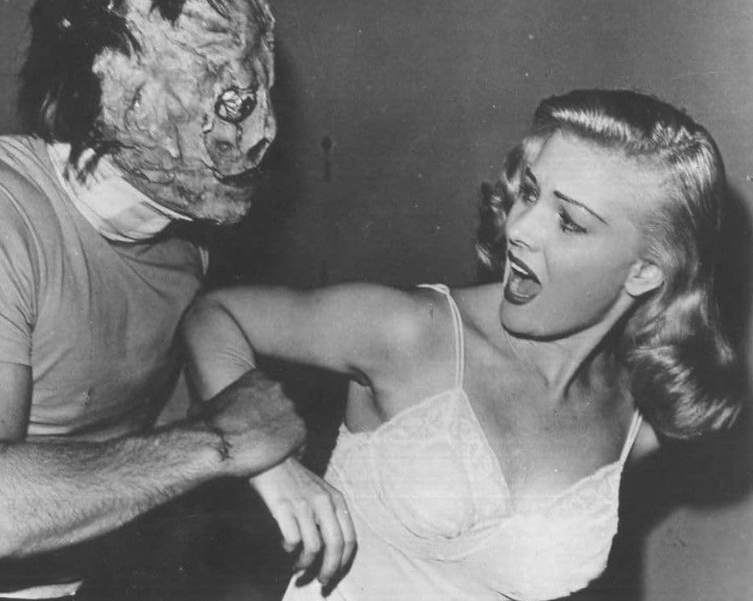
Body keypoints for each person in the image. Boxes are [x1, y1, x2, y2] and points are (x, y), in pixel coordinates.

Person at [181, 89, 744, 600]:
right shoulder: (411, 331)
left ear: (644, 272)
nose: (520, 227)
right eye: (530, 191)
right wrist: (267, 461)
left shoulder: (637, 426)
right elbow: (215, 315)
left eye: (569, 222)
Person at [0, 0, 351, 598]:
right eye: (229, 101)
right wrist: (224, 443)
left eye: (261, 89)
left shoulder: (186, 241)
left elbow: (144, 405)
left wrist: (265, 458)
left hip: (85, 575)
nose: (264, 134)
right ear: (110, 86)